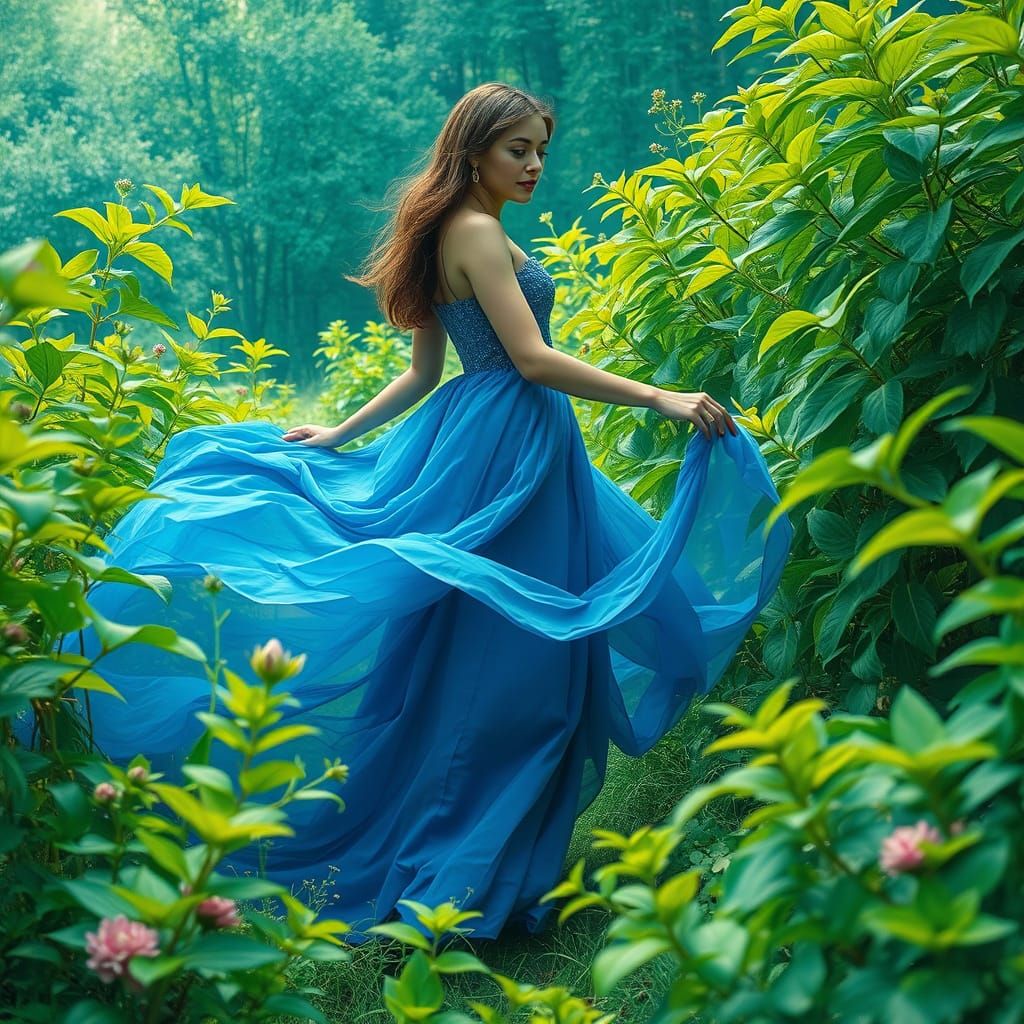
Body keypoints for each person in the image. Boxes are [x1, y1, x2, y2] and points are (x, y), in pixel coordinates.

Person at [78, 82, 793, 946]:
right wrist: (660, 396)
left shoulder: (454, 228)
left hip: (502, 446)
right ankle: (465, 874)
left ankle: (483, 866)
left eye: (539, 150)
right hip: (505, 451)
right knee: (522, 666)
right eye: (516, 150)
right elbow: (527, 361)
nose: (533, 165)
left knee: (495, 657)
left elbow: (425, 372)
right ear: (473, 150)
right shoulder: (478, 231)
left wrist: (339, 429)